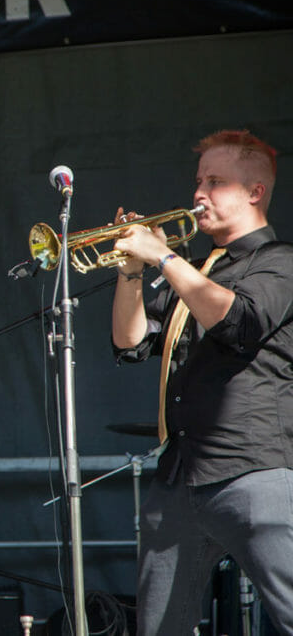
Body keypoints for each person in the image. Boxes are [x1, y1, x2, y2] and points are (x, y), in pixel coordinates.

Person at [110, 130, 293, 634]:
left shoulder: (279, 262)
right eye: (198, 181)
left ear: (254, 192)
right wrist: (130, 270)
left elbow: (238, 324)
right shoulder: (194, 271)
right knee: (159, 626)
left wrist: (164, 259)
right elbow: (130, 343)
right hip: (179, 476)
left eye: (216, 182)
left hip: (251, 469)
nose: (198, 194)